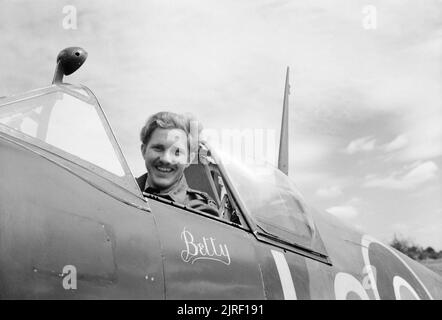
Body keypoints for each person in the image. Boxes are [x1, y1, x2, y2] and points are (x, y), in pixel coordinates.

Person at [137, 111, 220, 216]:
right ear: (144, 151)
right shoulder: (120, 191)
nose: (166, 159)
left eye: (177, 152)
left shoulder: (200, 213)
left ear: (189, 159)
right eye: (158, 148)